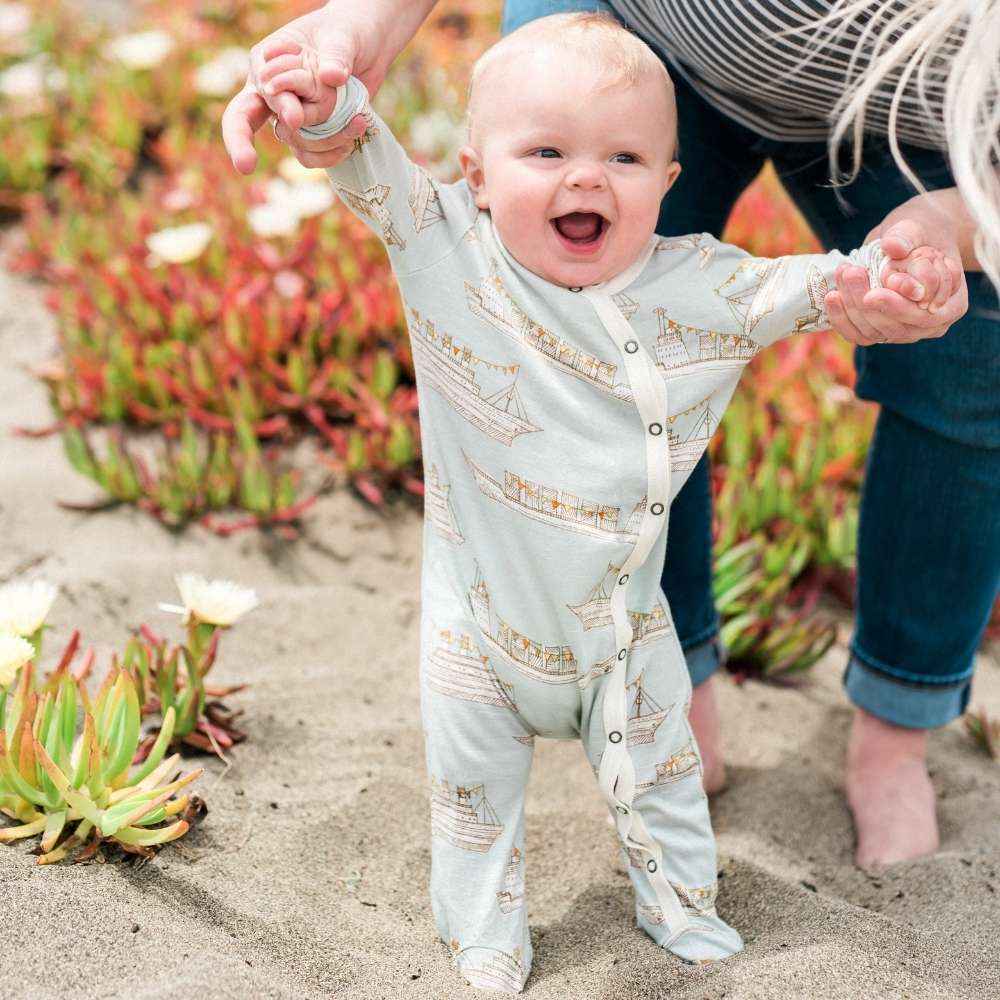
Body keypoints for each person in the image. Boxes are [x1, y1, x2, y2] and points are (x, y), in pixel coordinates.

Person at [241, 12, 950, 993]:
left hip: (623, 633)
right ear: (478, 175)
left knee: (664, 788)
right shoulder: (444, 244)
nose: (586, 179)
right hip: (476, 634)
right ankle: (484, 935)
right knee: (473, 804)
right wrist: (323, 102)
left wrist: (890, 275)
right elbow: (365, 159)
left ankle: (682, 910)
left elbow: (811, 286)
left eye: (624, 158)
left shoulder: (695, 284)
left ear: (667, 180)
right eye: (546, 153)